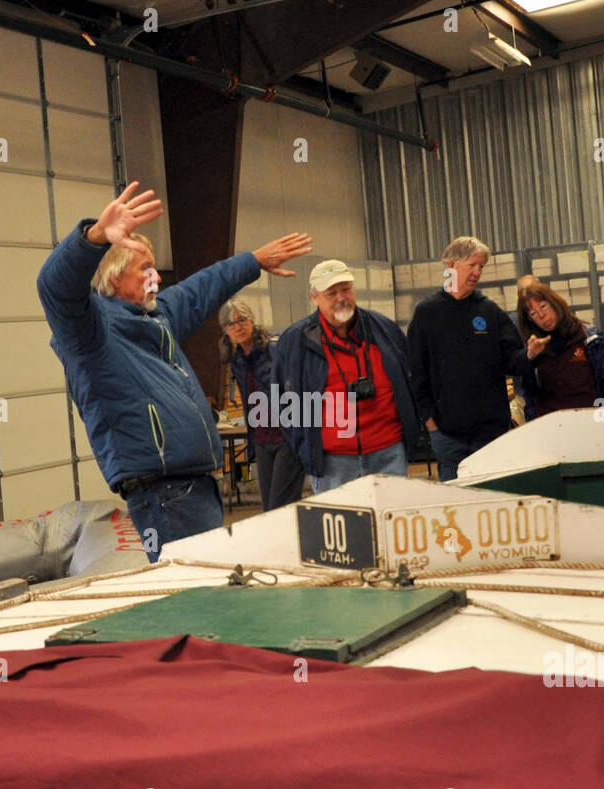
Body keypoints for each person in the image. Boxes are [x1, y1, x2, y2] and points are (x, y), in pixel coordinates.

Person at [38, 181, 311, 559]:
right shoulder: (91, 331)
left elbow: (201, 288)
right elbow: (55, 287)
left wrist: (254, 261)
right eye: (146, 269)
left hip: (195, 484)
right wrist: (95, 237)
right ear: (115, 277)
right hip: (163, 492)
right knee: (191, 596)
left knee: (207, 592)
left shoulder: (156, 318)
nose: (157, 278)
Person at [273, 259, 419, 494]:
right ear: (314, 297)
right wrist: (305, 448)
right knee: (343, 529)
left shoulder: (384, 329)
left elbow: (410, 380)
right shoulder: (295, 342)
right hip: (333, 463)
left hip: (389, 454)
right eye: (331, 293)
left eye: (345, 289)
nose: (341, 298)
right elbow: (283, 403)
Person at [408, 236, 532, 481]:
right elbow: (416, 370)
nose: (477, 272)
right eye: (472, 265)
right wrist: (430, 421)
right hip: (447, 434)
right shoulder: (427, 313)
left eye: (481, 267)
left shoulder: (489, 311)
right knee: (454, 503)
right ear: (451, 266)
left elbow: (513, 360)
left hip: (490, 432)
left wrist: (531, 354)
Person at [218, 299, 305, 511]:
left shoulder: (274, 349)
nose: (237, 326)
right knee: (269, 509)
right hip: (261, 440)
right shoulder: (236, 359)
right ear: (225, 331)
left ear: (252, 321)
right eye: (231, 324)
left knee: (280, 506)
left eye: (241, 320)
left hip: (286, 437)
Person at [516, 283, 604, 419]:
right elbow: (529, 398)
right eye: (534, 313)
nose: (542, 315)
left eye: (543, 306)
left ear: (555, 303)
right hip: (551, 428)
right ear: (529, 320)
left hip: (592, 421)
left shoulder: (591, 338)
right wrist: (530, 358)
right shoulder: (533, 348)